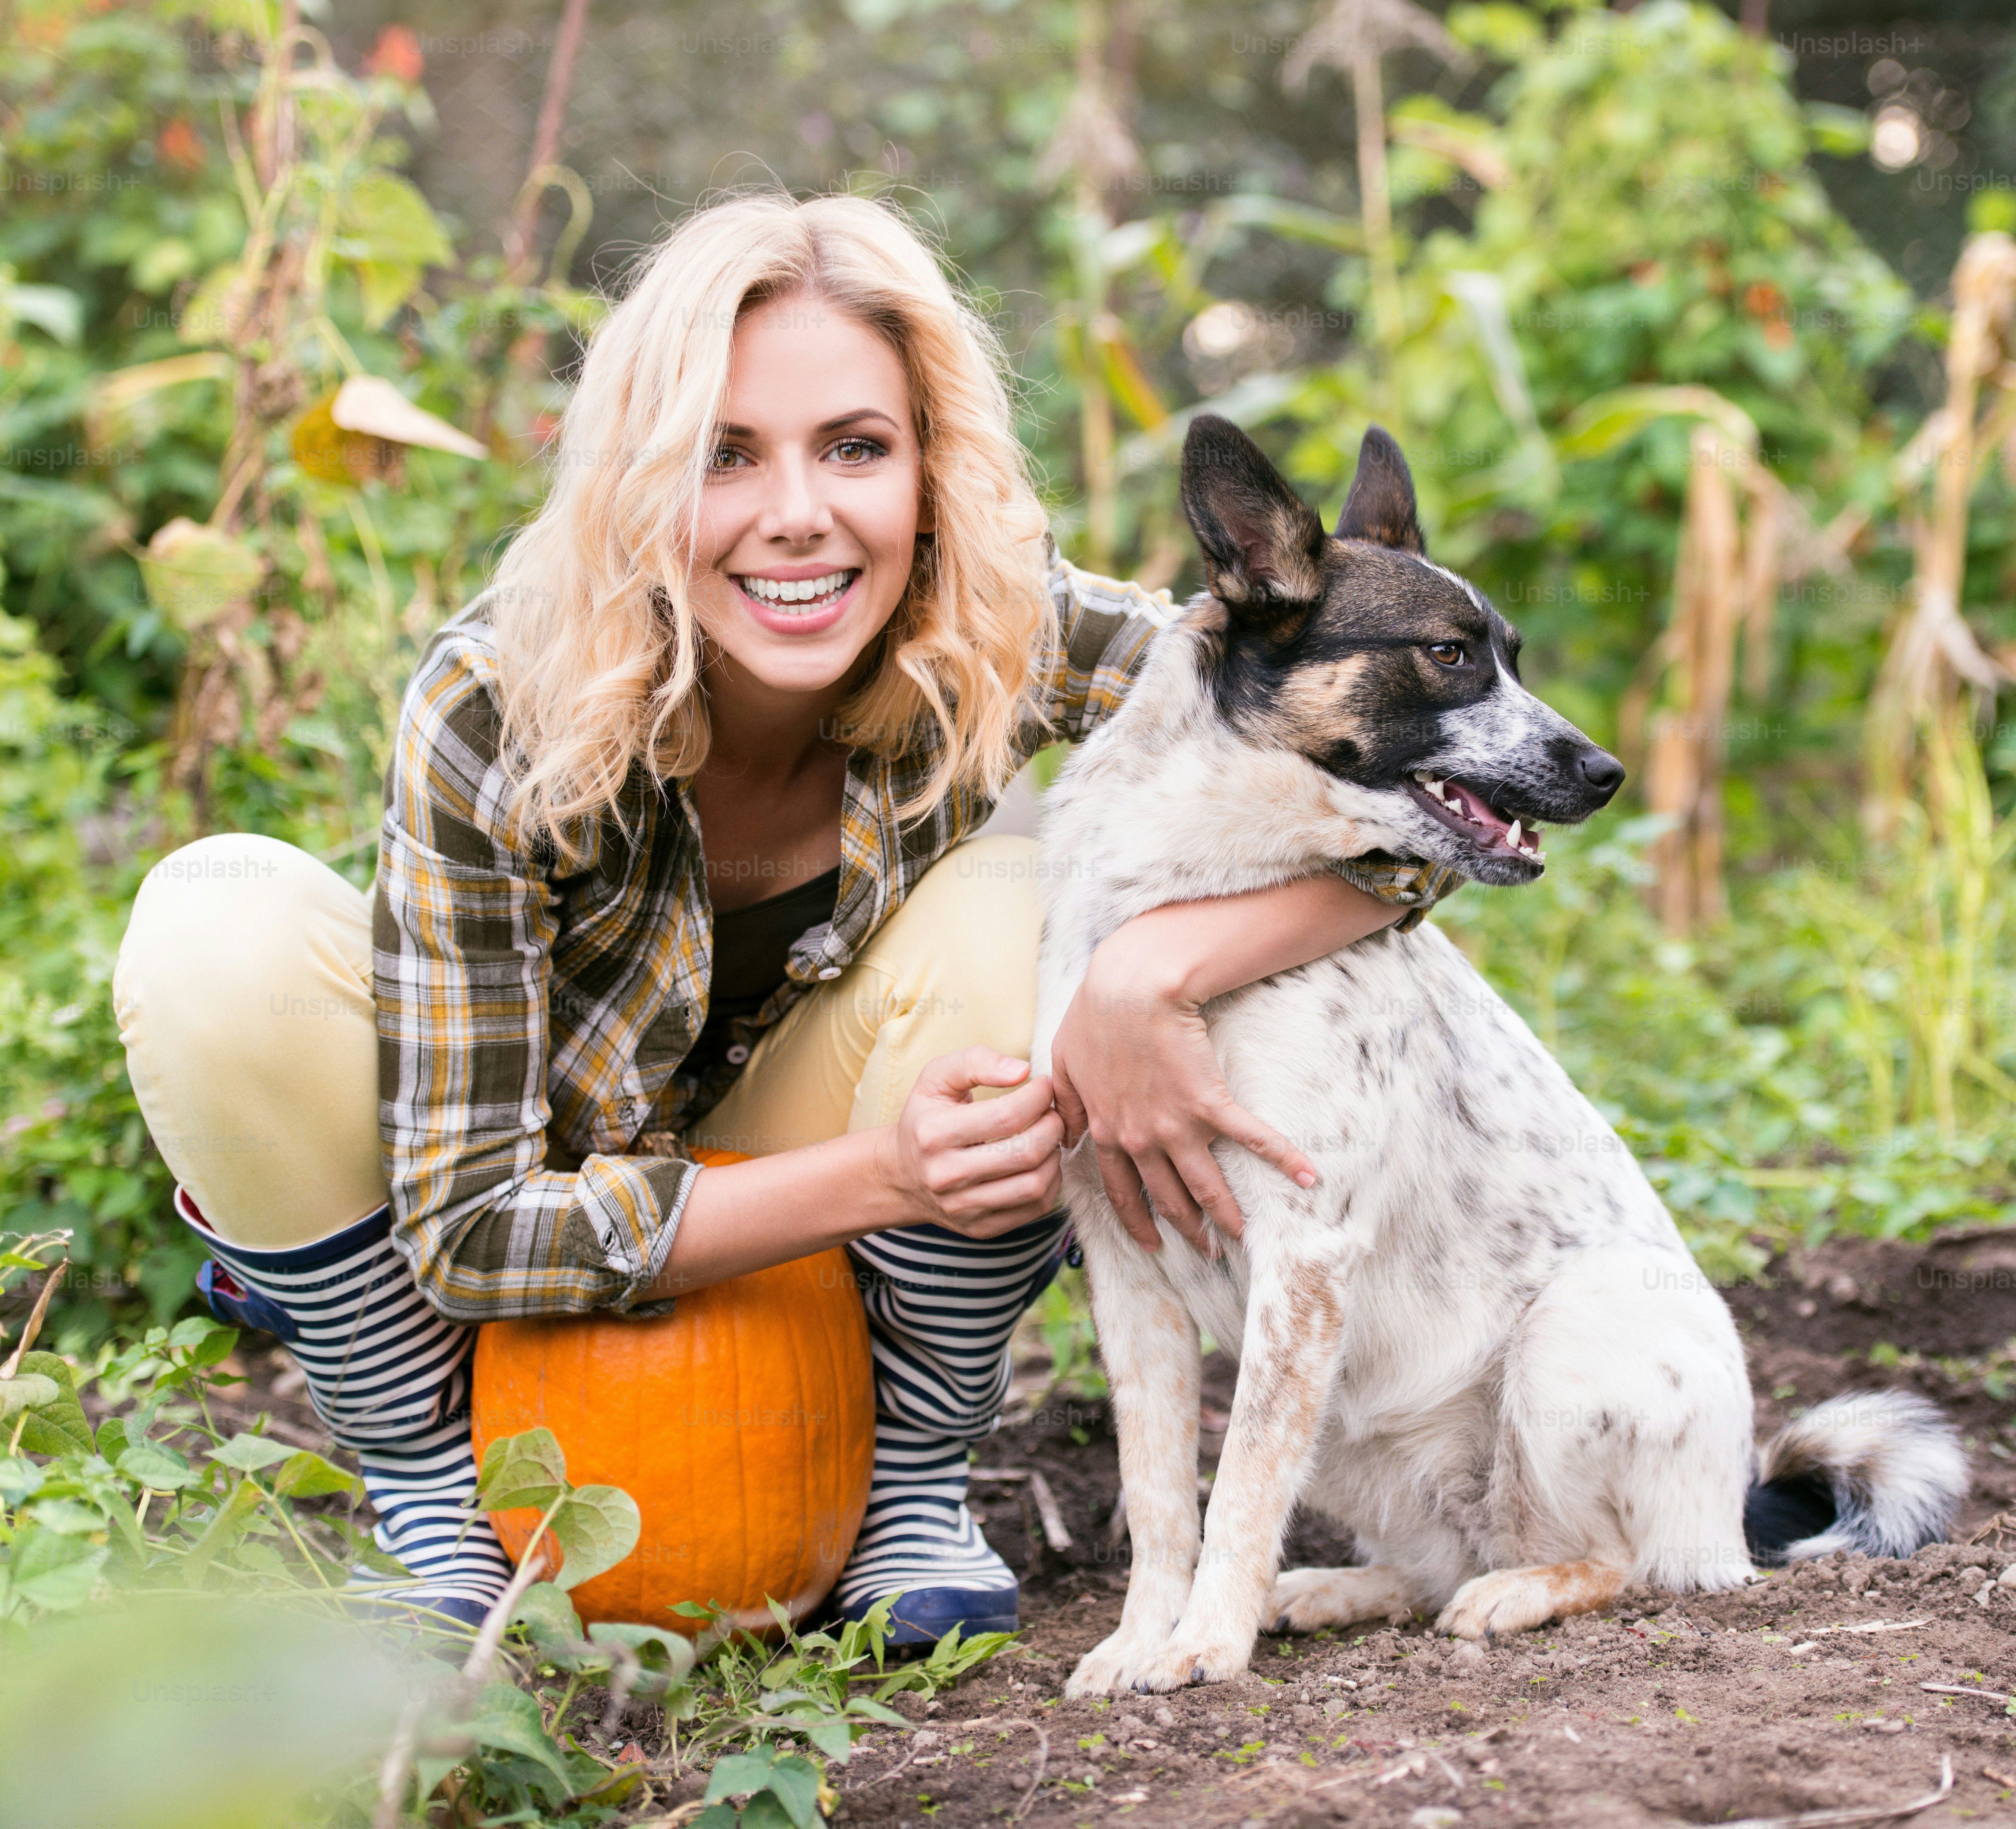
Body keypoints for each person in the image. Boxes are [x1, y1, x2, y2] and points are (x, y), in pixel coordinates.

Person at [111, 193, 1459, 1637]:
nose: (798, 514)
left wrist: (1148, 972)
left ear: (930, 470)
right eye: (723, 454)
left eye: (856, 449)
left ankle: (902, 1489)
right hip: (538, 1201)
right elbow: (472, 1225)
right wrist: (890, 1170)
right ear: (636, 475)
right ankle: (433, 1487)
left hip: (808, 1207)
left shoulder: (1004, 622)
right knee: (213, 928)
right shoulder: (496, 699)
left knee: (1023, 891)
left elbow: (1417, 788)